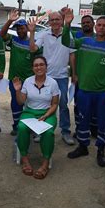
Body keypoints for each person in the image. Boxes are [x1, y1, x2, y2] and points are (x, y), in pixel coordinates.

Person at [62, 9, 105, 167]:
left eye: (104, 25)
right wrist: (67, 24)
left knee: (103, 122)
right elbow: (65, 42)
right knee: (83, 120)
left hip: (102, 93)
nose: (101, 27)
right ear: (95, 27)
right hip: (84, 91)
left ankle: (101, 150)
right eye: (99, 25)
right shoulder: (85, 41)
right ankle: (83, 146)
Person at [30, 11, 76, 145]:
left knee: (63, 104)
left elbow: (72, 55)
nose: (55, 22)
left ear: (62, 21)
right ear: (49, 22)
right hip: (46, 76)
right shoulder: (44, 34)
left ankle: (65, 132)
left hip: (62, 76)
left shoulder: (68, 34)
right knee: (44, 104)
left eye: (57, 19)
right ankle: (40, 131)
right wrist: (32, 32)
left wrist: (74, 74)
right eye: (52, 20)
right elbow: (33, 49)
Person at [13, 56, 60, 179]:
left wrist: (46, 115)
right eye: (36, 65)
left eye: (41, 64)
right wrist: (17, 90)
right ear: (32, 68)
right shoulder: (28, 81)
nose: (39, 67)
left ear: (46, 67)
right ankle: (25, 160)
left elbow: (55, 104)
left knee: (48, 132)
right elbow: (20, 102)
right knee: (22, 128)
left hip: (47, 113)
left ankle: (45, 163)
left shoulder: (53, 83)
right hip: (29, 113)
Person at [0, 9, 36, 136]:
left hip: (30, 80)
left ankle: (30, 127)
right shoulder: (13, 40)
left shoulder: (33, 43)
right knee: (15, 103)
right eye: (18, 28)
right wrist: (10, 20)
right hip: (14, 80)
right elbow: (2, 34)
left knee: (30, 105)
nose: (20, 30)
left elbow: (36, 57)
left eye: (22, 28)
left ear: (27, 28)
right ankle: (16, 126)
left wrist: (32, 33)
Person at [73, 15, 98, 138]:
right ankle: (79, 128)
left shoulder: (98, 37)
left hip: (95, 80)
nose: (86, 24)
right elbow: (72, 54)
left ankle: (94, 129)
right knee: (79, 106)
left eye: (88, 22)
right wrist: (74, 73)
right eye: (83, 23)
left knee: (94, 107)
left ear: (93, 23)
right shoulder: (77, 36)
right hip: (79, 78)